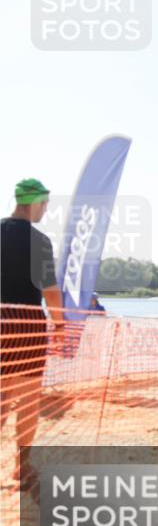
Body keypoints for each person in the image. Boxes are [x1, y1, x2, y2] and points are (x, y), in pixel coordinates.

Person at [1, 178, 64, 494]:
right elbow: (51, 292)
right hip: (27, 326)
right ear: (36, 202)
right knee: (27, 401)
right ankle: (20, 466)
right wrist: (62, 325)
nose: (45, 210)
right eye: (45, 204)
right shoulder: (39, 241)